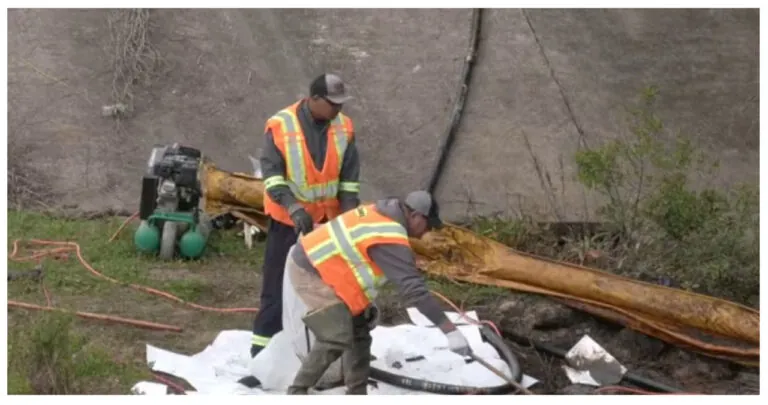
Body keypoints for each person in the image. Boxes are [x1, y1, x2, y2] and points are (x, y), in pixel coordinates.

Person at [282, 190, 473, 395]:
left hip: (330, 270)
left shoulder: (380, 213)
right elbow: (414, 290)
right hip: (311, 269)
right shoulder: (389, 235)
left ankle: (357, 393)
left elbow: (356, 262)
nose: (426, 231)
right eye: (427, 224)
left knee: (359, 332)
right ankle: (297, 391)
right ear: (416, 215)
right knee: (335, 335)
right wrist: (449, 330)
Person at [250, 73, 362, 358]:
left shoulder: (344, 128)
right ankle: (263, 351)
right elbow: (273, 176)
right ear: (313, 99)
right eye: (332, 103)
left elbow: (349, 182)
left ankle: (328, 347)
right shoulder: (280, 125)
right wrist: (293, 207)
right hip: (288, 220)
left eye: (341, 103)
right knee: (276, 285)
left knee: (332, 285)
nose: (338, 109)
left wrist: (350, 219)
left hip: (326, 222)